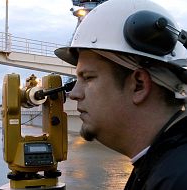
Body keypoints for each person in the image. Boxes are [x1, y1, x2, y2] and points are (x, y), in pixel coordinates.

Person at [54, 0, 187, 189]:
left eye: (88, 77)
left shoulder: (175, 180)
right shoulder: (160, 166)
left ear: (139, 85)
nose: (74, 93)